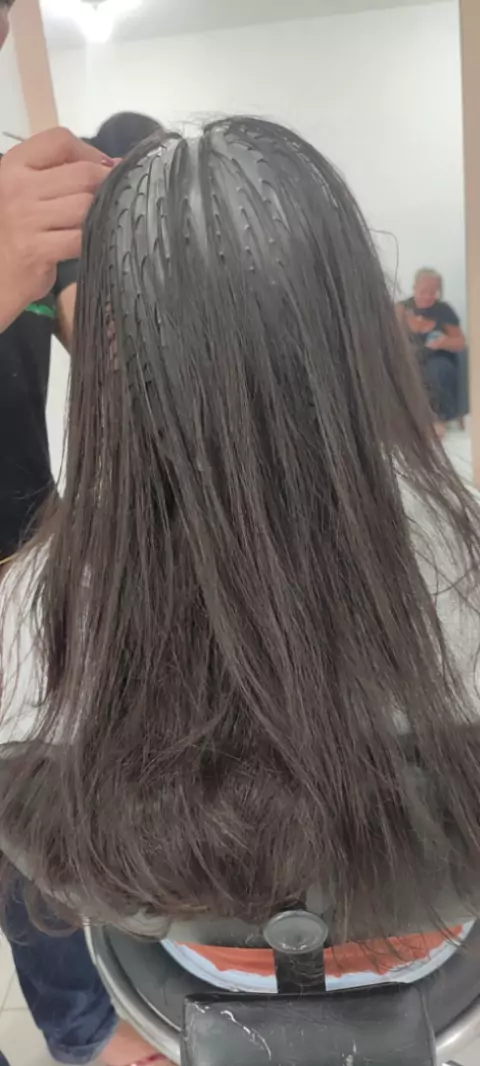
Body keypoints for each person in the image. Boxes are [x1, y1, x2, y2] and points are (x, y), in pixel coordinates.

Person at [2, 117, 480, 998]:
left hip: (201, 957)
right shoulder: (463, 551)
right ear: (358, 323)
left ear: (109, 352)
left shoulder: (34, 609)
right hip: (427, 938)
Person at [0, 4, 166, 1064]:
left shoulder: (19, 184)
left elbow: (102, 348)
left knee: (40, 823)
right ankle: (84, 1029)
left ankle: (91, 1026)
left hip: (26, 563)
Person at [397, 268, 466, 439]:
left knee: (438, 370)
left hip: (438, 356)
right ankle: (405, 421)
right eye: (423, 292)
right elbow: (389, 337)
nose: (428, 297)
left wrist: (444, 342)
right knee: (405, 370)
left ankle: (437, 420)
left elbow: (460, 342)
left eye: (433, 293)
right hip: (409, 357)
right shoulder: (401, 308)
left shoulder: (444, 310)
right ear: (414, 288)